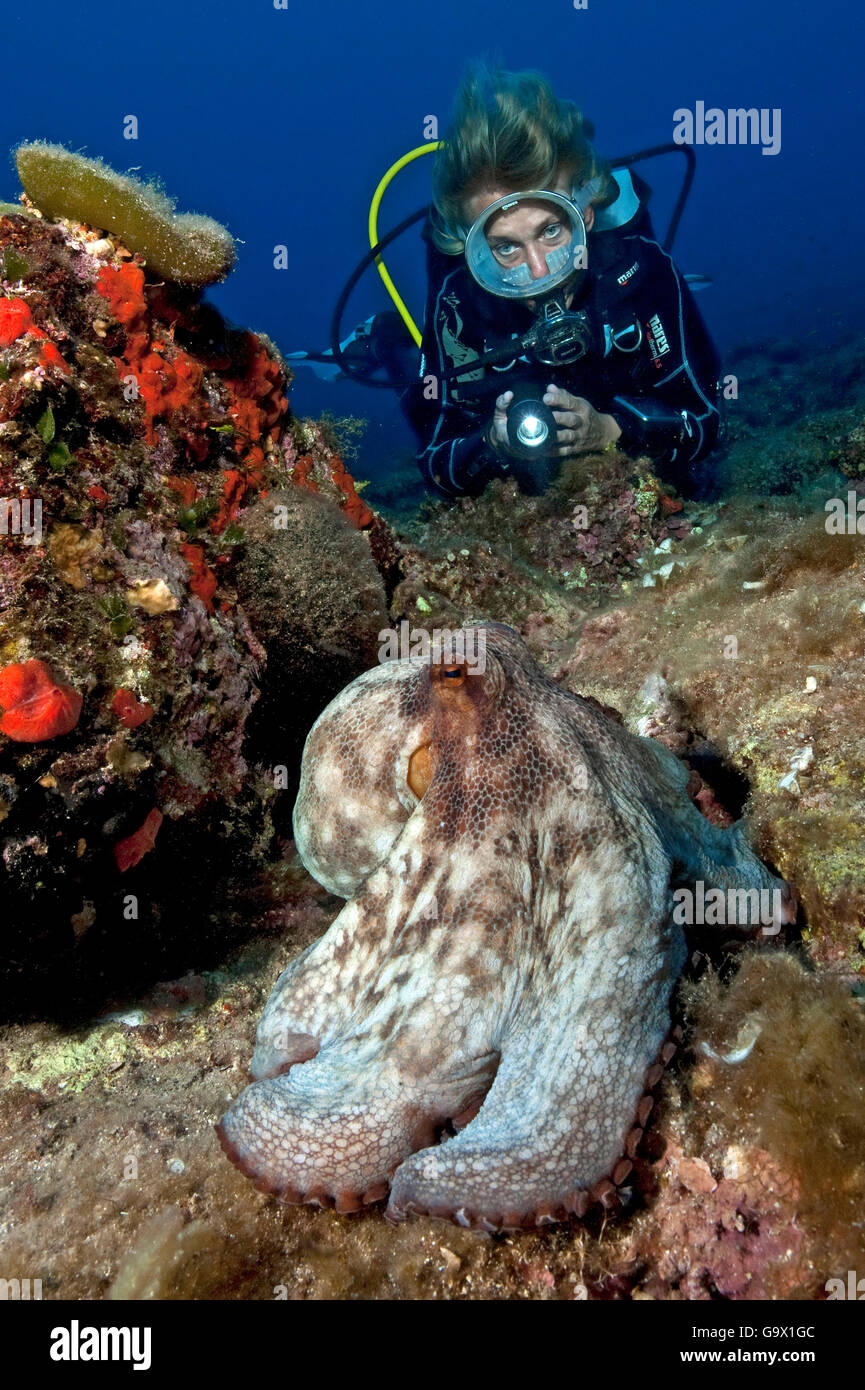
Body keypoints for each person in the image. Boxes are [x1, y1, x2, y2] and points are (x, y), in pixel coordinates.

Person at [403, 65, 722, 501]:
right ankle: (379, 338)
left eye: (551, 231)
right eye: (505, 247)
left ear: (585, 214)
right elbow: (435, 464)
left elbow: (706, 423)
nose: (539, 272)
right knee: (399, 345)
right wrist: (493, 446)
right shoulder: (458, 307)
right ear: (475, 251)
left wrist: (613, 430)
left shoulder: (642, 272)